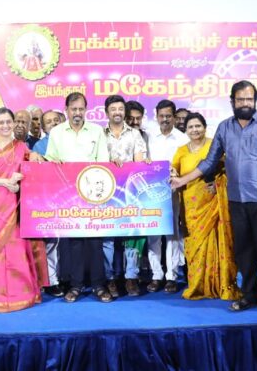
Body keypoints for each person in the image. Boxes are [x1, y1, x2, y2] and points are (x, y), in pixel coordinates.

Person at [171, 81, 257, 317]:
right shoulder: (224, 128)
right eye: (240, 99)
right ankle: (249, 296)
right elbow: (209, 161)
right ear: (232, 101)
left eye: (249, 99)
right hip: (235, 201)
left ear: (255, 101)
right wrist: (182, 181)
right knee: (243, 251)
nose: (245, 103)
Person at [0, 108, 45, 312]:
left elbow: (31, 165)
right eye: (1, 122)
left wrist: (36, 156)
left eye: (9, 122)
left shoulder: (20, 146)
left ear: (14, 123)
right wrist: (5, 182)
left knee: (17, 252)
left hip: (15, 208)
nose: (5, 126)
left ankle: (22, 296)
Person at [45, 92, 111, 303]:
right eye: (73, 109)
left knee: (95, 240)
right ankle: (75, 286)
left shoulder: (97, 131)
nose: (77, 113)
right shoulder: (57, 132)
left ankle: (99, 286)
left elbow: (103, 161)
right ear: (66, 110)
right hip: (67, 196)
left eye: (81, 109)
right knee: (72, 242)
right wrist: (47, 162)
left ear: (86, 110)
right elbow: (51, 161)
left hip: (92, 193)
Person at [172, 112, 240, 301]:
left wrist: (219, 183)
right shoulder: (181, 151)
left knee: (220, 243)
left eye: (198, 126)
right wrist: (171, 173)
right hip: (191, 206)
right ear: (185, 130)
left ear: (205, 127)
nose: (195, 130)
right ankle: (198, 286)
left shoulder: (216, 146)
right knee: (195, 245)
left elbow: (231, 170)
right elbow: (173, 171)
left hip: (214, 203)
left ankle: (222, 284)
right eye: (191, 127)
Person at [102, 95, 148, 297]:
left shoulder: (135, 134)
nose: (117, 112)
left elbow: (139, 162)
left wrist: (140, 165)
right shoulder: (99, 134)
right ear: (107, 112)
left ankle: (131, 277)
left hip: (131, 192)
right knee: (107, 236)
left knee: (134, 234)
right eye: (113, 109)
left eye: (120, 109)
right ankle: (110, 279)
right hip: (106, 193)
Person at [147, 100, 188, 294]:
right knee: (153, 232)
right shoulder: (148, 137)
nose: (165, 119)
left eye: (168, 116)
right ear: (156, 115)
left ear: (174, 117)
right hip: (150, 192)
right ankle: (156, 275)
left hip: (173, 191)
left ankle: (172, 276)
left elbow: (185, 165)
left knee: (172, 233)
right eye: (161, 116)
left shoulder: (182, 139)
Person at [31, 109, 64, 297]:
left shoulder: (72, 141)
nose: (53, 123)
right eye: (48, 122)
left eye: (56, 120)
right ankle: (52, 281)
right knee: (52, 242)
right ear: (43, 128)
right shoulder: (39, 146)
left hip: (75, 200)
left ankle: (70, 278)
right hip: (50, 200)